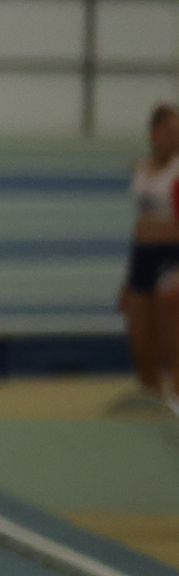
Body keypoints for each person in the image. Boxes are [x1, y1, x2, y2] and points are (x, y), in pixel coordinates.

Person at [119, 105, 179, 405]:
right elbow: (140, 222)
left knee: (169, 324)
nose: (175, 138)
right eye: (169, 131)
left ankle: (177, 392)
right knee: (139, 332)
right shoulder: (142, 169)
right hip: (143, 255)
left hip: (172, 255)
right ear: (154, 133)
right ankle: (150, 391)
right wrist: (127, 279)